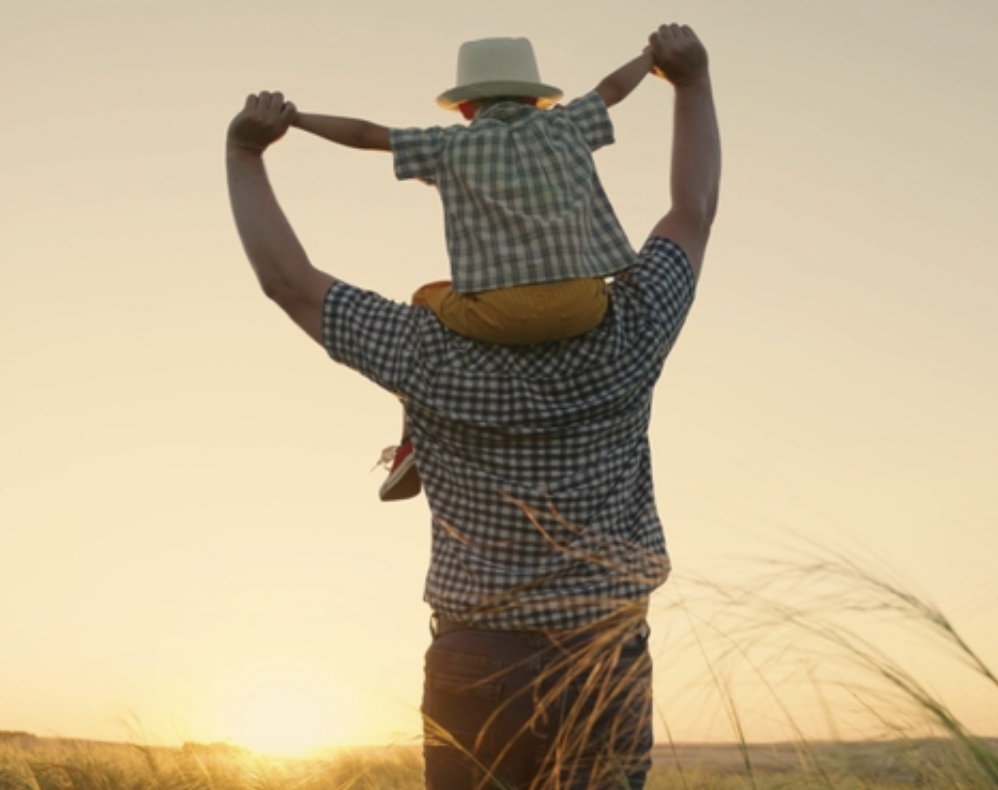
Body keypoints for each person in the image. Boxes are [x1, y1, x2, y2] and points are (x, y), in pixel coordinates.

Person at [226, 21, 720, 790]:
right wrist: (691, 81)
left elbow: (288, 281)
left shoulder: (425, 349)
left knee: (429, 312)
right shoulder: (634, 325)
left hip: (476, 658)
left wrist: (246, 154)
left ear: (463, 116)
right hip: (604, 654)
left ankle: (413, 438)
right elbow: (692, 210)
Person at [290, 38, 656, 502]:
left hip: (498, 316)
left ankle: (412, 442)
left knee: (425, 299)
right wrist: (650, 57)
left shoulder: (450, 146)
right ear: (536, 98)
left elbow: (365, 134)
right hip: (585, 305)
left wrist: (296, 119)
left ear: (465, 107)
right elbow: (613, 87)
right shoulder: (568, 124)